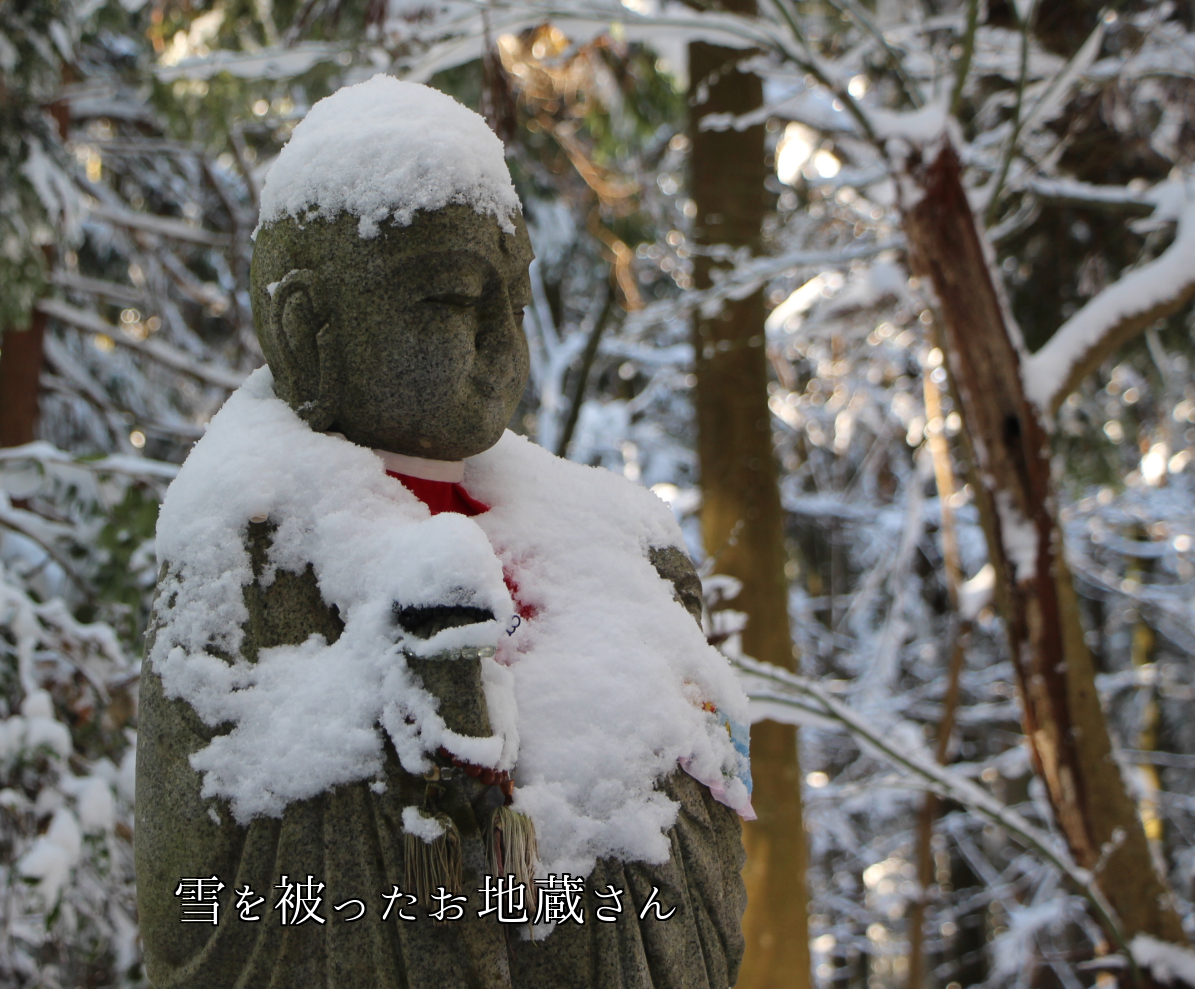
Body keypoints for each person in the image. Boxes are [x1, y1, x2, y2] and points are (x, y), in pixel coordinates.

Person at [134, 76, 753, 988]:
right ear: (309, 329)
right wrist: (401, 759)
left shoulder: (611, 542)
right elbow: (198, 912)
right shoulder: (247, 552)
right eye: (453, 301)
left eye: (515, 295)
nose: (503, 338)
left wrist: (650, 746)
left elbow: (706, 859)